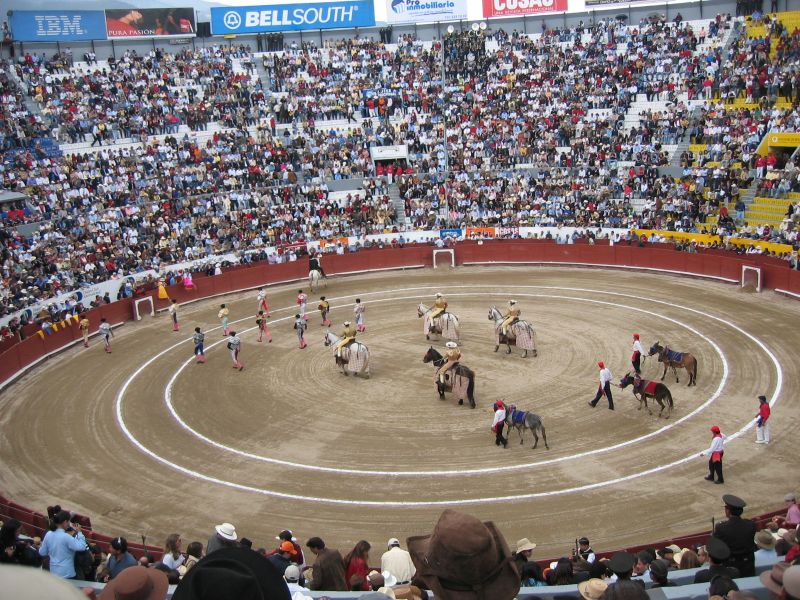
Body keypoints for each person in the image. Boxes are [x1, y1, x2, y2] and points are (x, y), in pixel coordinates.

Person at [714, 494, 757, 577]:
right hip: (748, 565)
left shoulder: (721, 527)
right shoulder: (751, 525)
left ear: (728, 511)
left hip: (730, 567)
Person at [38, 510, 88, 578]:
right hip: (67, 572)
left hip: (54, 571)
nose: (69, 523)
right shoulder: (66, 537)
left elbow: (42, 552)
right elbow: (82, 547)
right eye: (68, 521)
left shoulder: (48, 534)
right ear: (65, 522)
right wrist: (79, 532)